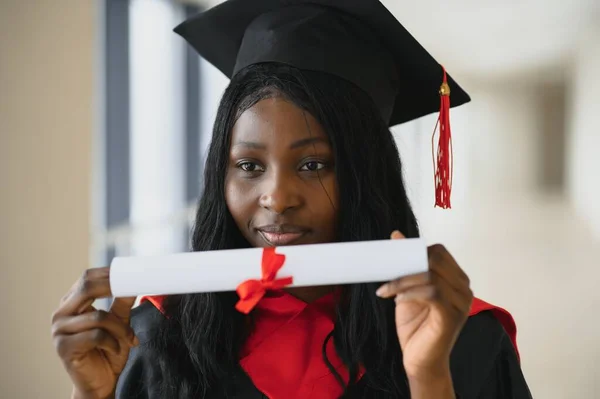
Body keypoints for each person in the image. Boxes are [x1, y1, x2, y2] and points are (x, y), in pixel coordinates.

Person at [50, 0, 532, 398]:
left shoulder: (463, 337)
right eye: (249, 166)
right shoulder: (155, 336)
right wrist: (91, 395)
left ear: (368, 176)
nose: (276, 197)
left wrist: (429, 376)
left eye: (314, 164)